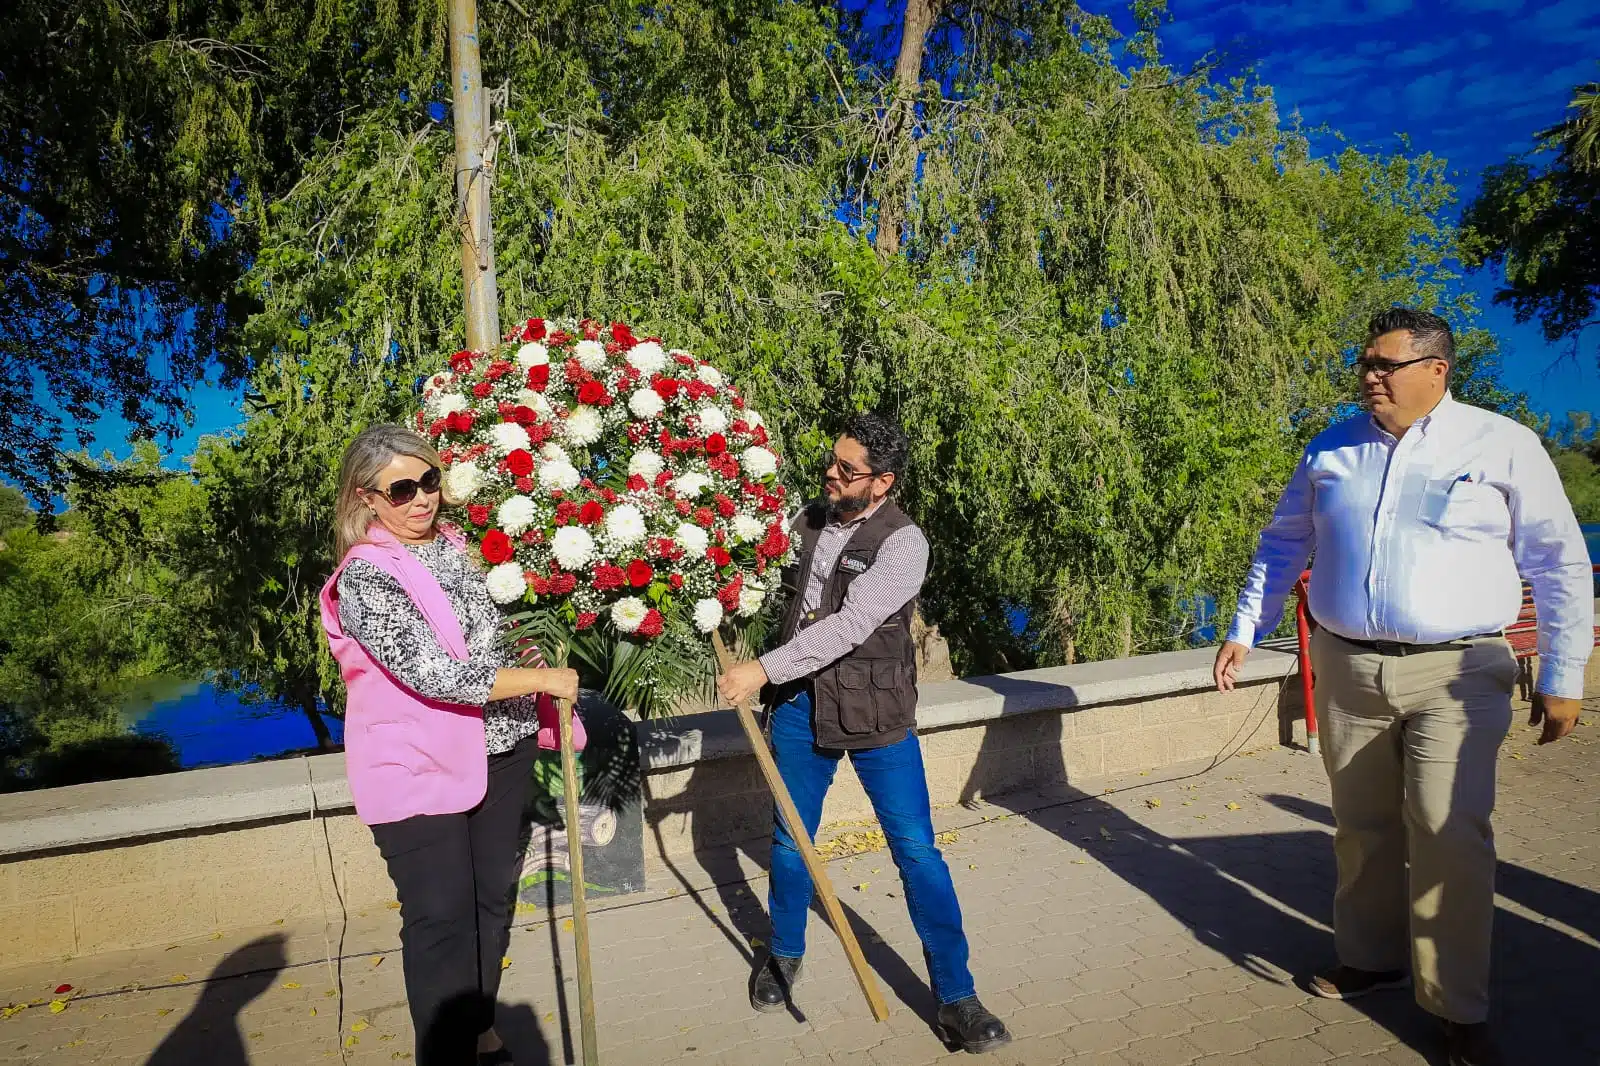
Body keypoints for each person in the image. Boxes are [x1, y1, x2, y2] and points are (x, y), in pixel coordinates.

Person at [1213, 309, 1592, 1066]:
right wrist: (1244, 627)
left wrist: (1562, 673)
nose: (1369, 377)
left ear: (1436, 370)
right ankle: (1372, 960)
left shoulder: (1501, 445)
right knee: (1363, 827)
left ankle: (1458, 1007)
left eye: (1385, 364)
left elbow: (1559, 562)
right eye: (1365, 363)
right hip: (1347, 665)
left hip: (1457, 673)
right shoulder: (1333, 448)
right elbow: (1285, 540)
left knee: (1449, 834)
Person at [717, 412, 1012, 1054]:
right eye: (832, 460)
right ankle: (784, 955)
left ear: (882, 483)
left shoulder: (906, 545)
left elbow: (849, 628)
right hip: (799, 708)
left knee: (916, 852)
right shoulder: (807, 518)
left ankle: (958, 998)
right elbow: (757, 576)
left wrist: (759, 670)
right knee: (792, 841)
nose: (831, 473)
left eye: (846, 470)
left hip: (877, 716)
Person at [319, 425, 581, 1066]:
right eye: (401, 488)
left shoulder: (462, 548)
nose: (421, 499)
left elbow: (497, 633)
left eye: (429, 481)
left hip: (504, 746)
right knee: (440, 917)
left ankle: (481, 1028)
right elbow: (433, 672)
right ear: (365, 498)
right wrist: (538, 678)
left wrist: (533, 651)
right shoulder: (363, 579)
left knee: (493, 895)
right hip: (416, 766)